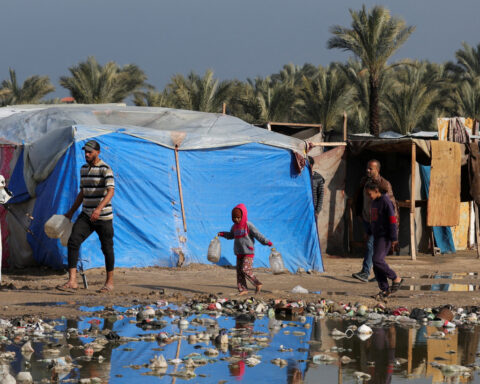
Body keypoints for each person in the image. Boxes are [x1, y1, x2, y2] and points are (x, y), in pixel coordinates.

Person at [57, 140, 115, 293]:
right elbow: (82, 193)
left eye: (90, 152)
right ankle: (72, 281)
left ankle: (109, 282)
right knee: (73, 241)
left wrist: (99, 209)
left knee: (107, 248)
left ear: (98, 152)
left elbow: (110, 192)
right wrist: (70, 212)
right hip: (87, 215)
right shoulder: (83, 169)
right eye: (85, 152)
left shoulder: (105, 169)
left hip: (103, 217)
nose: (87, 155)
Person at [352, 159, 398, 283]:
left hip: (378, 222)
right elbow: (359, 198)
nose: (367, 170)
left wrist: (394, 227)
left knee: (371, 245)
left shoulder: (384, 184)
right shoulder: (364, 181)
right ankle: (379, 274)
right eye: (367, 168)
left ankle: (366, 272)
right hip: (367, 218)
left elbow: (391, 206)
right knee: (375, 249)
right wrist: (359, 212)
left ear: (377, 169)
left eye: (370, 168)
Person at [218, 204, 272, 295]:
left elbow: (258, 235)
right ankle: (243, 289)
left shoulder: (248, 225)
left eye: (238, 217)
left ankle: (257, 283)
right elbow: (231, 235)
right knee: (239, 272)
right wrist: (223, 234)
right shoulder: (234, 227)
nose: (236, 219)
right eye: (234, 218)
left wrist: (266, 242)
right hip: (239, 253)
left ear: (243, 216)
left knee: (245, 269)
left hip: (248, 252)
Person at [364, 181, 403, 300]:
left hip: (385, 236)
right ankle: (385, 290)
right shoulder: (374, 202)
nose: (368, 196)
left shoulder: (386, 202)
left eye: (369, 193)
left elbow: (392, 220)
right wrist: (369, 232)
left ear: (376, 190)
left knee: (377, 260)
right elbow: (374, 219)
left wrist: (394, 238)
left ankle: (396, 278)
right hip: (377, 235)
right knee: (376, 265)